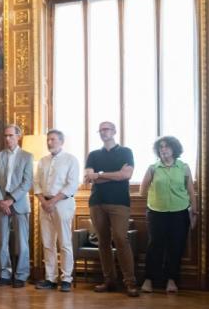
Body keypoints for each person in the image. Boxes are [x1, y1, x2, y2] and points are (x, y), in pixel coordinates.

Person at [84, 121, 139, 297]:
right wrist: (113, 175)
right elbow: (88, 178)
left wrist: (99, 175)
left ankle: (130, 282)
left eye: (106, 129)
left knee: (121, 239)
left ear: (114, 131)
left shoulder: (126, 152)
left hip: (119, 202)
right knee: (103, 241)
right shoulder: (93, 155)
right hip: (97, 202)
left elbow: (126, 175)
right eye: (100, 130)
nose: (103, 132)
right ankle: (109, 280)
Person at [139, 136, 197, 293]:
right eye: (161, 147)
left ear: (174, 149)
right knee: (154, 246)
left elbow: (191, 190)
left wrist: (195, 211)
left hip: (180, 212)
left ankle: (171, 280)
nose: (163, 149)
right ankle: (149, 279)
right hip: (157, 212)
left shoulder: (183, 167)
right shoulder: (153, 168)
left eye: (167, 146)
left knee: (175, 247)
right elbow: (142, 190)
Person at [34, 130, 80, 292]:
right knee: (47, 243)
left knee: (64, 242)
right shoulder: (42, 161)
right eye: (48, 139)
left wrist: (53, 201)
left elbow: (72, 184)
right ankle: (50, 278)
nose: (49, 142)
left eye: (53, 139)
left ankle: (66, 278)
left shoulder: (71, 160)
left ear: (61, 141)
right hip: (45, 204)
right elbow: (37, 183)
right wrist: (43, 201)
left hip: (63, 203)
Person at [0, 124, 33, 288]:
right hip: (1, 204)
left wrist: (11, 199)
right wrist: (1, 201)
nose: (7, 139)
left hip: (19, 203)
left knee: (22, 242)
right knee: (2, 241)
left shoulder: (27, 156)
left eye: (11, 135)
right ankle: (4, 274)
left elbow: (27, 182)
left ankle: (21, 275)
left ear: (18, 136)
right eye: (5, 136)